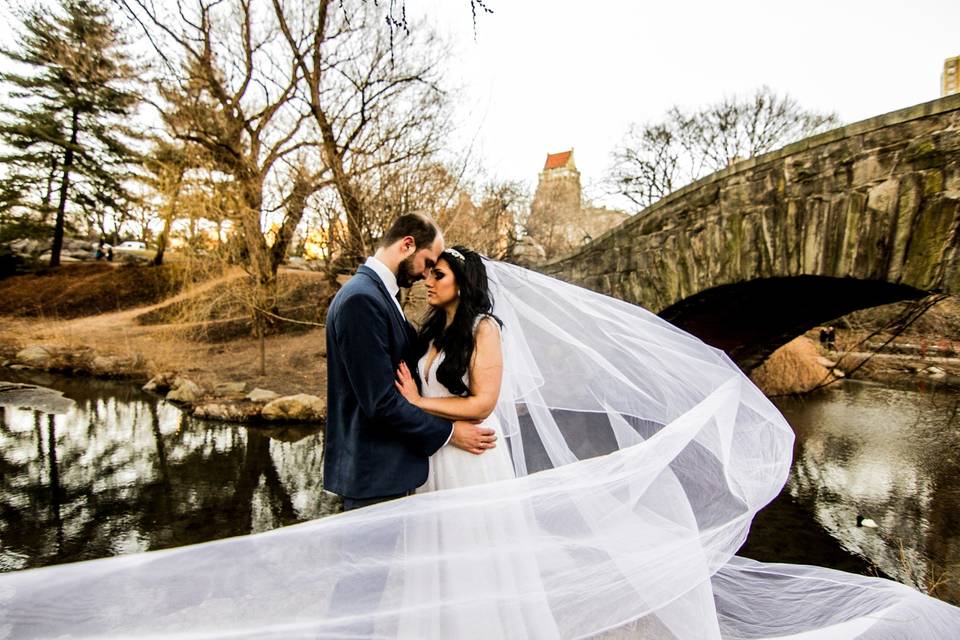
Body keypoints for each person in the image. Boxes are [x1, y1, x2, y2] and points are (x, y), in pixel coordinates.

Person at [323, 213, 497, 511]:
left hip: (399, 468)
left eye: (436, 272)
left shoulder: (379, 294)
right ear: (407, 245)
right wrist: (451, 433)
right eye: (428, 263)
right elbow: (379, 402)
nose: (425, 276)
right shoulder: (361, 299)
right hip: (375, 473)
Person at [394, 246, 515, 491]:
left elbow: (483, 405)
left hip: (472, 450)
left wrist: (418, 403)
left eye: (438, 276)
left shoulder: (484, 328)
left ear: (462, 283)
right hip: (438, 446)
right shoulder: (432, 331)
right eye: (429, 274)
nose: (428, 282)